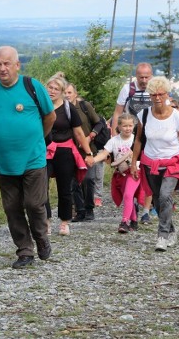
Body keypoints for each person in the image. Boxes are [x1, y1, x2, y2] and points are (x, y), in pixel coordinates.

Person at [0, 46, 55, 269]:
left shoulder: (32, 86)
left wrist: (37, 139)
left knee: (34, 204)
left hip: (33, 159)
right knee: (12, 208)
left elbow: (50, 116)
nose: (2, 68)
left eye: (7, 64)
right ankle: (25, 250)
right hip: (5, 163)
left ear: (17, 65)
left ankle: (41, 238)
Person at [130, 76, 179, 252]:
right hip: (150, 163)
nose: (157, 98)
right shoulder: (144, 114)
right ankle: (171, 229)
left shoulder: (177, 117)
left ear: (167, 94)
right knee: (157, 200)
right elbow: (138, 141)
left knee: (165, 196)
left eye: (160, 94)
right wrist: (134, 163)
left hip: (172, 163)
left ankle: (162, 236)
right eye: (153, 94)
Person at [45, 73, 94, 236]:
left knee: (64, 187)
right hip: (44, 151)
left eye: (56, 89)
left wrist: (88, 153)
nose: (52, 91)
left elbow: (79, 133)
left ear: (62, 91)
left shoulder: (68, 108)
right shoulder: (42, 107)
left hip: (64, 151)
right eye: (50, 87)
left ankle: (64, 222)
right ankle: (46, 222)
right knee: (40, 186)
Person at [111, 62, 155, 224]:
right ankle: (133, 201)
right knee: (130, 171)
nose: (144, 80)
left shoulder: (155, 89)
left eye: (146, 77)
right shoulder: (127, 89)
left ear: (151, 76)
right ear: (136, 76)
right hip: (130, 136)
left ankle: (145, 211)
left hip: (150, 137)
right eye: (141, 77)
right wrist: (113, 135)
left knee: (148, 173)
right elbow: (117, 112)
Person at [86, 113, 144, 233]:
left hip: (134, 172)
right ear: (119, 127)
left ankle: (124, 222)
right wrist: (93, 160)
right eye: (125, 126)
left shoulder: (136, 140)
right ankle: (133, 220)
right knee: (128, 197)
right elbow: (104, 153)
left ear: (134, 126)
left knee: (128, 195)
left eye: (130, 125)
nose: (128, 128)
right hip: (120, 173)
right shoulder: (114, 141)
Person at [64, 83, 104, 215]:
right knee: (74, 182)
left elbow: (99, 123)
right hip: (70, 150)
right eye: (64, 92)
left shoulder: (84, 106)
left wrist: (90, 137)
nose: (67, 95)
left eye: (69, 92)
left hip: (88, 149)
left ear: (75, 94)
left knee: (88, 179)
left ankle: (89, 208)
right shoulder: (60, 109)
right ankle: (80, 211)